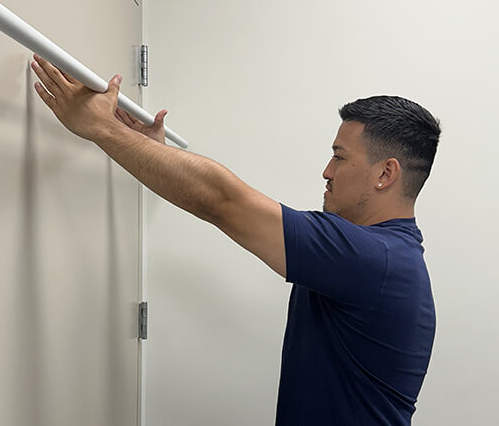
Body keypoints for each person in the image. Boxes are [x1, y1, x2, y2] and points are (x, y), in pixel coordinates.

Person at [30, 53, 441, 425]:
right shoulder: (384, 257)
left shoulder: (373, 260)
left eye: (340, 156)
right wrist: (147, 148)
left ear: (386, 174)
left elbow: (222, 201)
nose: (326, 171)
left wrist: (101, 128)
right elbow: (224, 202)